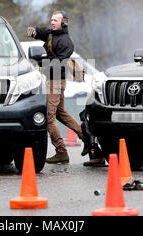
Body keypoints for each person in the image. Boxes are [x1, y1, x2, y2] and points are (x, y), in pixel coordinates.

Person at [27, 11, 104, 165]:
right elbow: (44, 32)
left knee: (48, 118)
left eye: (56, 20)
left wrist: (43, 67)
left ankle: (61, 151)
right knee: (61, 114)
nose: (53, 22)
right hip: (53, 80)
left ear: (64, 23)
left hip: (55, 80)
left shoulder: (65, 42)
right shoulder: (52, 34)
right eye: (52, 20)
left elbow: (59, 63)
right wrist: (34, 31)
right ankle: (88, 140)